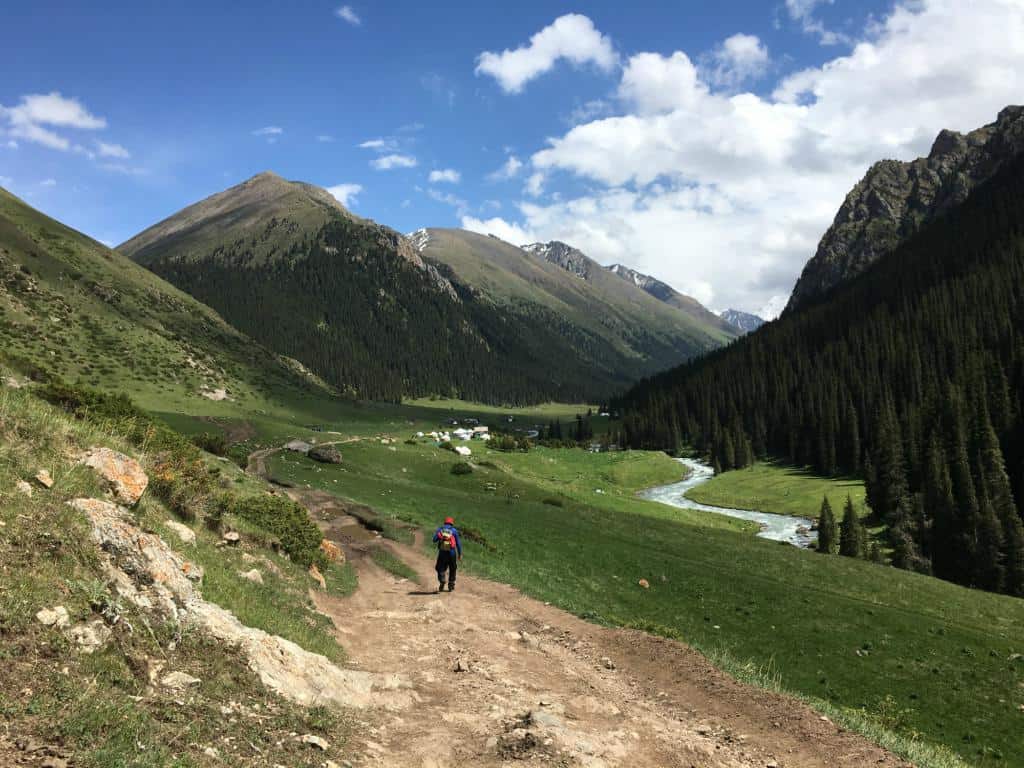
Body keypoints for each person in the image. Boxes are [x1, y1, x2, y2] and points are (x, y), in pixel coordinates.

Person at [432, 516, 462, 592]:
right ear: (452, 523)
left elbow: (434, 540)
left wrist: (440, 536)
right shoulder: (454, 531)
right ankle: (451, 584)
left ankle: (442, 579)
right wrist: (459, 554)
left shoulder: (440, 529)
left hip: (442, 553)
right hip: (452, 553)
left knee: (439, 567)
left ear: (445, 522)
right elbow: (458, 543)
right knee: (453, 568)